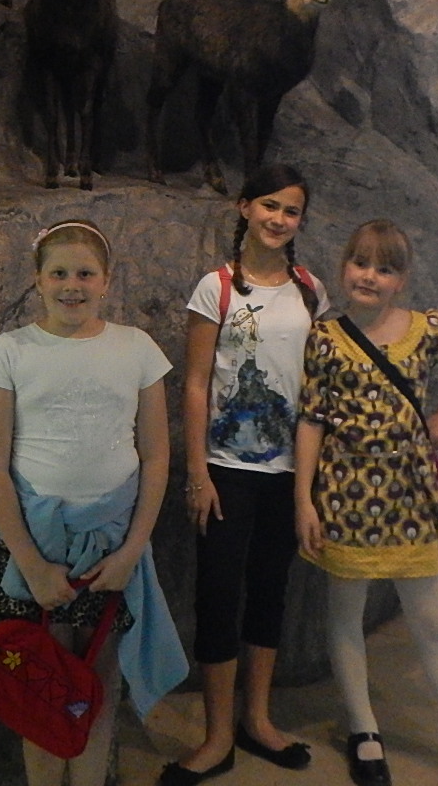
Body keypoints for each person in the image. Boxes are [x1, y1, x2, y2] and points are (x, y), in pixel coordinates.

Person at [295, 219, 438, 786]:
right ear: (344, 266)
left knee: (433, 623)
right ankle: (363, 730)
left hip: (410, 496)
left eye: (384, 268)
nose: (369, 276)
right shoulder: (326, 337)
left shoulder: (426, 330)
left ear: (401, 279)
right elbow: (312, 418)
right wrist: (303, 499)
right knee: (345, 615)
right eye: (360, 263)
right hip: (345, 496)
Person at [0, 219, 189, 786]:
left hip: (111, 546)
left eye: (86, 274)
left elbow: (156, 457)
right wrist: (30, 563)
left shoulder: (137, 349)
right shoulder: (10, 351)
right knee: (37, 688)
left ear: (107, 280)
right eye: (59, 273)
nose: (73, 285)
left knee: (97, 686)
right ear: (38, 279)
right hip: (32, 545)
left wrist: (130, 552)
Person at [162, 165, 328, 786]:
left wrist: (309, 484)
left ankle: (257, 719)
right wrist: (196, 473)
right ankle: (216, 736)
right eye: (269, 206)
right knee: (217, 594)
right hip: (226, 470)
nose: (279, 219)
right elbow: (196, 383)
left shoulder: (310, 290)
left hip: (288, 471)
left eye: (291, 210)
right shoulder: (217, 288)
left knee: (269, 590)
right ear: (244, 207)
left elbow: (316, 389)